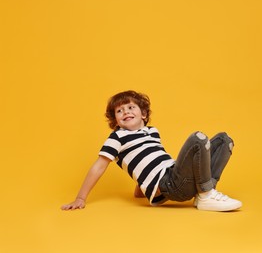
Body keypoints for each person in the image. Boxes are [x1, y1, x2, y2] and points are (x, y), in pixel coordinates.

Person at [61, 90, 242, 212]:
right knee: (198, 139)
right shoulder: (117, 137)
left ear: (144, 114)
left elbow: (151, 159)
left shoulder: (152, 131)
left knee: (224, 140)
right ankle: (206, 195)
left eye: (131, 107)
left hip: (176, 175)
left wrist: (140, 187)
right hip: (170, 184)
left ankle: (205, 190)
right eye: (119, 111)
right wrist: (80, 198)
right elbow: (99, 167)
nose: (125, 112)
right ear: (115, 121)